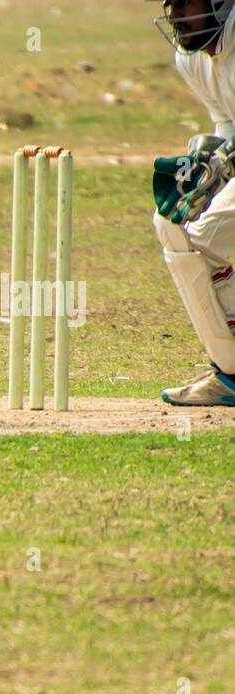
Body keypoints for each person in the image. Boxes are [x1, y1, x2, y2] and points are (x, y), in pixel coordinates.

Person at [151, 0, 235, 405]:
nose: (178, 17)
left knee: (205, 237)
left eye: (189, 5)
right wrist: (211, 156)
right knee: (170, 224)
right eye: (173, 6)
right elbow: (225, 119)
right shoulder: (191, 60)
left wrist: (226, 158)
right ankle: (229, 371)